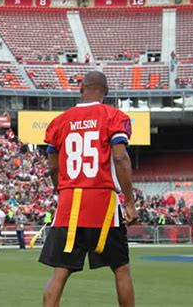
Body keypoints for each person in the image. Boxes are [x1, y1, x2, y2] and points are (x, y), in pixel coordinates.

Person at [39, 71, 138, 307]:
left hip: (69, 203)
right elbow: (121, 158)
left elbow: (53, 166)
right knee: (121, 269)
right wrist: (130, 202)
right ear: (106, 92)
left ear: (81, 87)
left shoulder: (59, 121)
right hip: (102, 203)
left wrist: (61, 191)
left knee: (60, 273)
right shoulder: (114, 116)